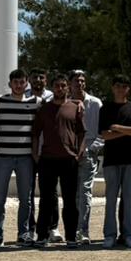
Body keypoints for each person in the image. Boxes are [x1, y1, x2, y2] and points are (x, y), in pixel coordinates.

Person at [32, 74, 86, 247]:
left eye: (63, 85)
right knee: (46, 201)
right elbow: (35, 134)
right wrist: (35, 154)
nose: (60, 88)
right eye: (57, 86)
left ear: (68, 88)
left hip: (69, 159)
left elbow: (81, 132)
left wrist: (79, 152)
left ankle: (71, 237)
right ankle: (42, 235)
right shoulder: (43, 109)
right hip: (47, 160)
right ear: (52, 87)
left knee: (70, 200)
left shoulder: (74, 108)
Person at [0, 68, 40, 248]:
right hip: (3, 157)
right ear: (10, 84)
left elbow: (57, 105)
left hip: (26, 158)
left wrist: (77, 103)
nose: (18, 85)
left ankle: (23, 233)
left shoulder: (36, 102)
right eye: (15, 82)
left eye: (21, 82)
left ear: (26, 84)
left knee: (25, 199)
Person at [100, 77, 131, 248]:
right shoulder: (106, 108)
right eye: (118, 86)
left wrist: (117, 128)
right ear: (113, 88)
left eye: (124, 86)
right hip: (111, 160)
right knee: (110, 199)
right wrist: (127, 131)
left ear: (128, 89)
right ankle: (109, 234)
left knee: (129, 198)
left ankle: (129, 234)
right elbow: (104, 134)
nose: (120, 89)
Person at [71, 70, 102, 245]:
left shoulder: (95, 103)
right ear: (70, 83)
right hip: (69, 153)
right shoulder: (66, 103)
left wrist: (92, 149)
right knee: (72, 194)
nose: (80, 83)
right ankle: (72, 229)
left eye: (82, 80)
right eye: (76, 80)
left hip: (88, 152)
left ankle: (83, 230)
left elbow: (102, 130)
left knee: (85, 191)